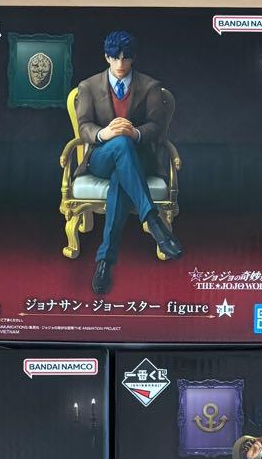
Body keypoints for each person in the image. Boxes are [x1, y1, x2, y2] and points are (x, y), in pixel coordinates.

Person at [74, 29, 182, 295]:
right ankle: (153, 221)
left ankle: (104, 262)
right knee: (119, 144)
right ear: (106, 57)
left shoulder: (150, 87)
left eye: (126, 58)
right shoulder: (89, 86)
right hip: (101, 156)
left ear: (133, 58)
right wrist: (105, 133)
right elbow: (84, 126)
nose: (120, 64)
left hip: (138, 158)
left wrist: (134, 133)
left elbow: (156, 127)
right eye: (115, 57)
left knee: (121, 177)